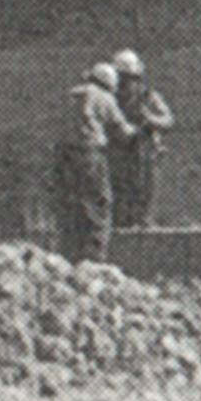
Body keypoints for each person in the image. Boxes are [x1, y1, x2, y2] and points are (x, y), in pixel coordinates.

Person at [54, 60, 137, 263]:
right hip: (89, 153)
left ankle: (67, 253)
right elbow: (121, 129)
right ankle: (94, 258)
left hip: (63, 154)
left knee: (70, 202)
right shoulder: (103, 97)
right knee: (99, 202)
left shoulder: (72, 94)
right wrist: (137, 131)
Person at [108, 49, 176, 229]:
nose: (126, 85)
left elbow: (168, 120)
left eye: (130, 79)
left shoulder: (148, 97)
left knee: (146, 187)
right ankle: (122, 222)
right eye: (122, 79)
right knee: (119, 188)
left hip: (145, 149)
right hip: (119, 150)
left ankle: (144, 221)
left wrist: (149, 119)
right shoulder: (111, 98)